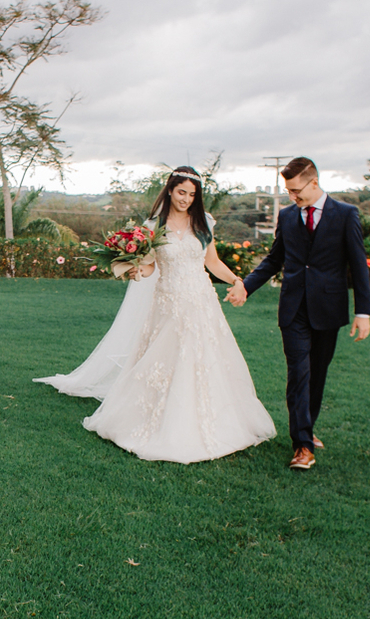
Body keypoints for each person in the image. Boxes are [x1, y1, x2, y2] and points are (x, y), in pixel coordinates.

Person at [35, 167, 276, 463]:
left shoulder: (204, 223)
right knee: (167, 361)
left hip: (201, 301)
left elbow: (211, 262)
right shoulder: (153, 226)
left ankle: (210, 422)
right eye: (181, 192)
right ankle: (157, 422)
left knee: (204, 360)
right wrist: (136, 269)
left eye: (192, 194)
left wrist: (238, 281)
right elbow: (150, 266)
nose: (186, 199)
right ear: (170, 190)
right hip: (169, 302)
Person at [226, 156, 370, 470]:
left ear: (314, 182)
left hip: (329, 308)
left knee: (316, 375)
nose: (292, 197)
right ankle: (302, 445)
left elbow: (358, 265)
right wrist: (246, 286)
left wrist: (364, 312)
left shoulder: (346, 214)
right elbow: (273, 260)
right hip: (293, 309)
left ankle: (307, 427)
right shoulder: (287, 216)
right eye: (288, 191)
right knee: (299, 374)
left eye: (296, 191)